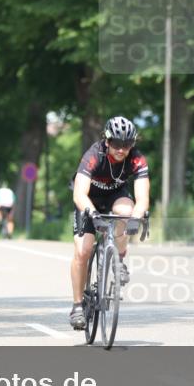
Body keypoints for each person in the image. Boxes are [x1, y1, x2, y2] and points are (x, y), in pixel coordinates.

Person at [69, 116, 150, 330]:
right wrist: (93, 214)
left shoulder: (137, 159)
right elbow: (79, 194)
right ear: (107, 141)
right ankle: (77, 305)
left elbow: (142, 198)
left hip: (116, 195)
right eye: (116, 144)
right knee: (83, 250)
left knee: (126, 213)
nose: (121, 149)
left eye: (127, 145)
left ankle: (119, 259)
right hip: (89, 200)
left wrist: (136, 218)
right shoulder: (93, 156)